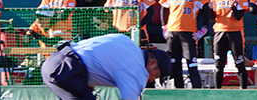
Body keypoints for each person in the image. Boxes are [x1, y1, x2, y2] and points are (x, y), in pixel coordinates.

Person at [42, 33, 171, 100]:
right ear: (152, 63)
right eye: (156, 76)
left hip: (53, 61)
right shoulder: (137, 69)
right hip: (68, 70)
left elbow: (94, 53)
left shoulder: (125, 41)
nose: (151, 80)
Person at [159, 0, 210, 89]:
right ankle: (179, 92)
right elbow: (163, 9)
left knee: (191, 64)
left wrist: (204, 28)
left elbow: (206, 9)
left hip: (188, 32)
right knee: (175, 65)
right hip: (172, 31)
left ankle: (197, 92)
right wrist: (164, 26)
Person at [209, 0, 249, 89]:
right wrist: (209, 9)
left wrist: (234, 7)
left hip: (235, 32)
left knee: (239, 63)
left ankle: (243, 91)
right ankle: (218, 91)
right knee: (218, 64)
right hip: (219, 32)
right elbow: (211, 18)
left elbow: (238, 16)